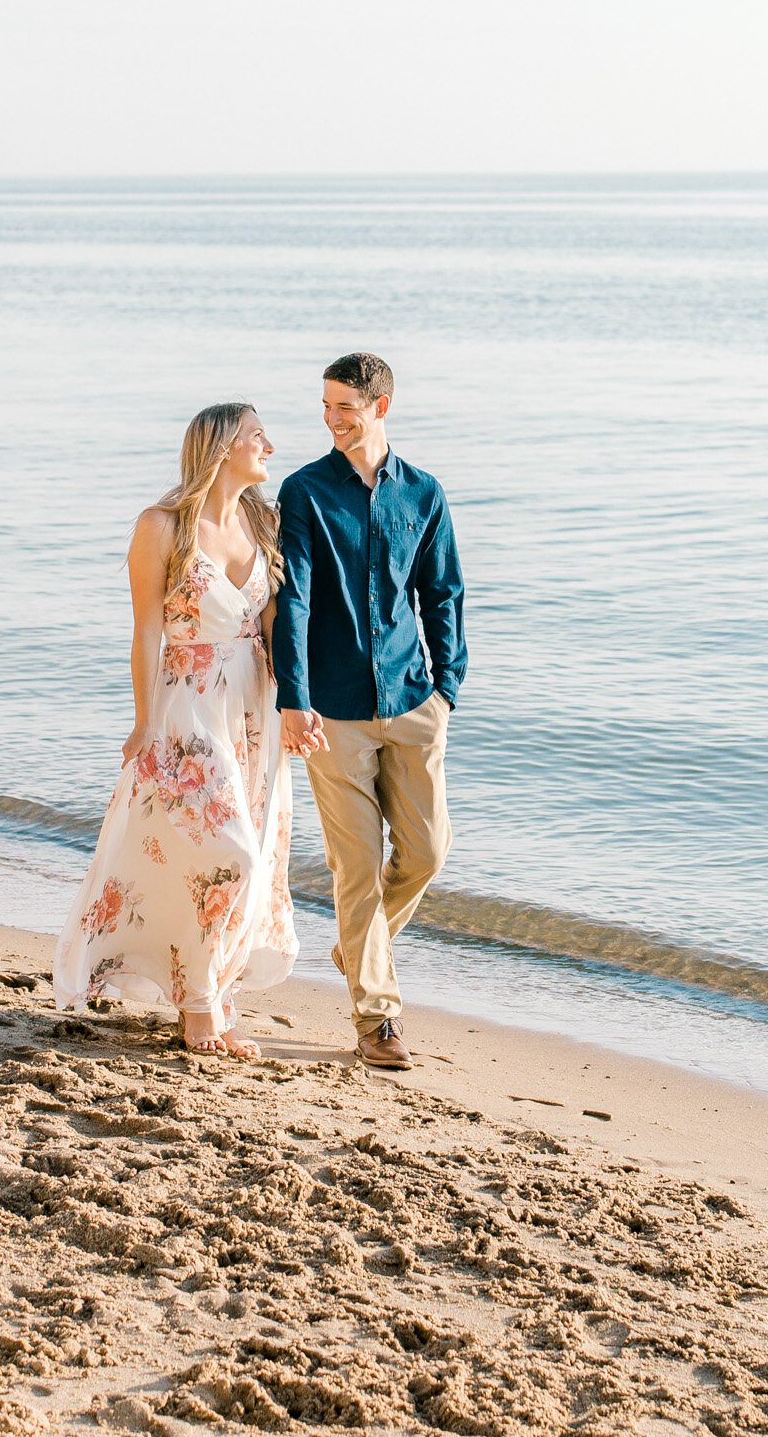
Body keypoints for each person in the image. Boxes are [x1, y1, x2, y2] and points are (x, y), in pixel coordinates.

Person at [53, 403, 297, 1057]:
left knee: (251, 858)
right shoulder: (162, 527)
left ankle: (215, 993)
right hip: (188, 705)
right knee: (228, 854)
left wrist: (299, 703)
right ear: (220, 448)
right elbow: (147, 631)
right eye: (255, 436)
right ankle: (196, 1003)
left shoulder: (259, 524)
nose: (269, 444)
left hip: (253, 710)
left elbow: (275, 626)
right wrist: (143, 721)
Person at [274, 353, 466, 1069]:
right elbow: (291, 600)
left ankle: (360, 946)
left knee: (426, 852)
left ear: (380, 407)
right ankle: (375, 1018)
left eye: (344, 409)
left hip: (414, 699)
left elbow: (442, 592)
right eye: (325, 408)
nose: (331, 420)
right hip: (334, 712)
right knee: (356, 869)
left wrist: (447, 685)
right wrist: (294, 700)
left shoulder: (423, 493)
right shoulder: (303, 492)